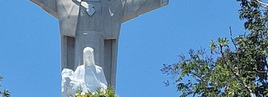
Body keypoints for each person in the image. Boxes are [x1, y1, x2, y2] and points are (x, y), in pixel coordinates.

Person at [28, 0, 168, 90]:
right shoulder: (67, 3)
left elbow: (137, 3)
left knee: (100, 75)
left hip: (100, 48)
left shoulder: (113, 5)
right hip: (77, 47)